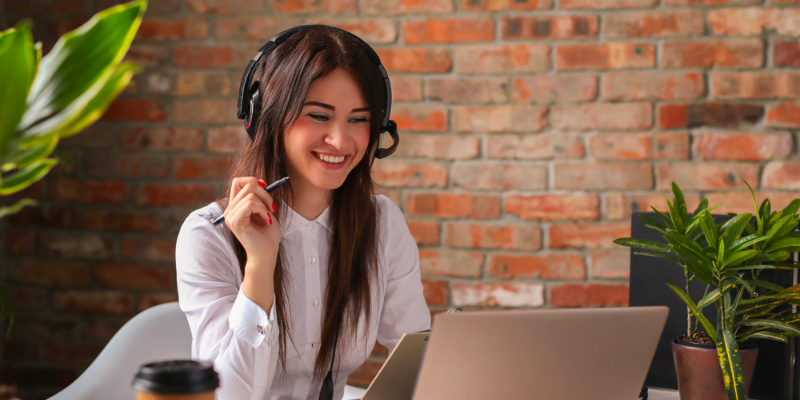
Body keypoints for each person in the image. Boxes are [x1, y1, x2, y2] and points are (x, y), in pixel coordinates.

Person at [174, 26, 431, 400]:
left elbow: (417, 361)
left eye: (358, 119)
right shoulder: (207, 236)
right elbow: (231, 396)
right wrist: (260, 265)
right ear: (266, 115)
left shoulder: (381, 223)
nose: (341, 141)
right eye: (319, 116)